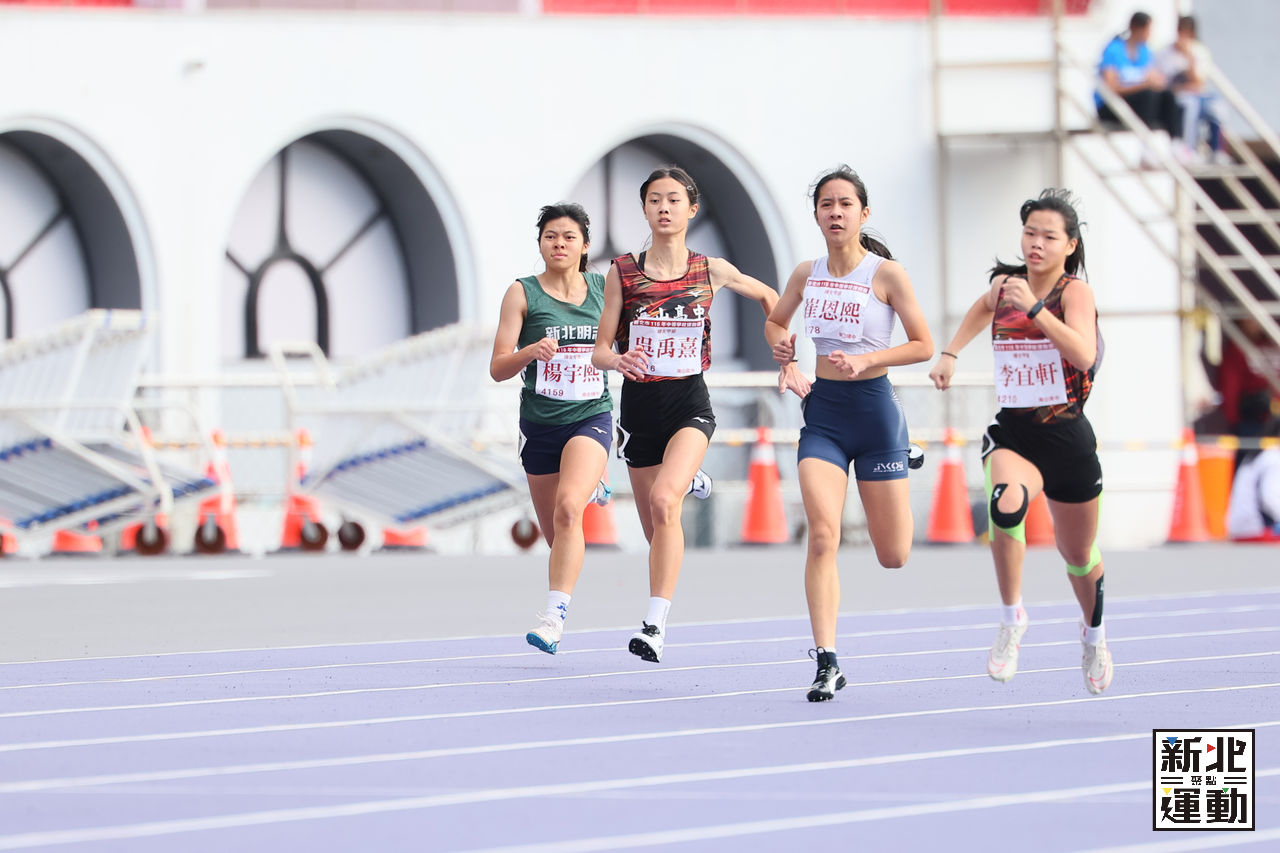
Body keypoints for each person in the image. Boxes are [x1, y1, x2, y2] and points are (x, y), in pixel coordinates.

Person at [929, 189, 1113, 695]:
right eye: (1030, 233)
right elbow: (980, 309)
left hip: (1067, 437)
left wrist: (1035, 309)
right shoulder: (1005, 286)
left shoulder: (1074, 293)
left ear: (1069, 245)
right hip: (1016, 434)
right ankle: (1012, 619)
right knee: (1005, 505)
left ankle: (1093, 635)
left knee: (1078, 555)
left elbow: (1083, 354)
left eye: (1048, 237)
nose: (1036, 243)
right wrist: (950, 353)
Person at [592, 165, 779, 663]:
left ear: (691, 209)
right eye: (655, 200)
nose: (664, 208)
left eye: (674, 199)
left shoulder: (710, 270)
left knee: (664, 500)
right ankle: (689, 476)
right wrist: (617, 360)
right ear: (644, 209)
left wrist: (784, 350)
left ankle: (654, 625)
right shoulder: (622, 272)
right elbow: (600, 350)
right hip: (639, 410)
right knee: (657, 532)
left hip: (689, 403)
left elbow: (769, 297)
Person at [766, 166, 933, 702]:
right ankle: (827, 661)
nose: (835, 213)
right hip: (824, 416)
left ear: (864, 213)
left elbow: (923, 344)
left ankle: (904, 447)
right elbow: (776, 322)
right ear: (816, 215)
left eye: (845, 204)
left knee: (894, 555)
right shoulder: (806, 273)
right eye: (826, 204)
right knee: (823, 534)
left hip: (876, 413)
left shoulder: (887, 275)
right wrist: (785, 356)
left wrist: (868, 360)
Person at [489, 203, 613, 655]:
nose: (559, 244)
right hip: (540, 425)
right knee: (557, 536)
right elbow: (498, 367)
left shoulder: (605, 290)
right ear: (540, 244)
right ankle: (591, 485)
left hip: (591, 415)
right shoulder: (521, 293)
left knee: (568, 509)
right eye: (550, 236)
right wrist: (531, 352)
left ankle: (553, 619)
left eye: (568, 236)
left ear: (585, 245)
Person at [1155, 15, 1228, 165]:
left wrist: (1189, 57)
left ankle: (1217, 150)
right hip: (1177, 98)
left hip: (1197, 95)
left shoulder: (1199, 51)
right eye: (1180, 31)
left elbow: (1198, 83)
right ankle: (1188, 149)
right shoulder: (1165, 53)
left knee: (1217, 106)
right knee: (1190, 105)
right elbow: (1162, 84)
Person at [1096, 11, 1180, 140]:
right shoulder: (1114, 50)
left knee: (1168, 96)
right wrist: (1143, 85)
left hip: (1136, 101)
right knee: (1148, 96)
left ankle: (1176, 142)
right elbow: (1111, 88)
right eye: (1147, 30)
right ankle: (1146, 142)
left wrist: (1154, 83)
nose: (1150, 34)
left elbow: (1154, 78)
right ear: (1137, 29)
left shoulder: (1144, 51)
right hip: (1111, 105)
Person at [1226, 419, 1280, 542]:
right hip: (1259, 531)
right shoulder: (1274, 458)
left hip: (1238, 529)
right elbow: (1270, 499)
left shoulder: (1255, 455)